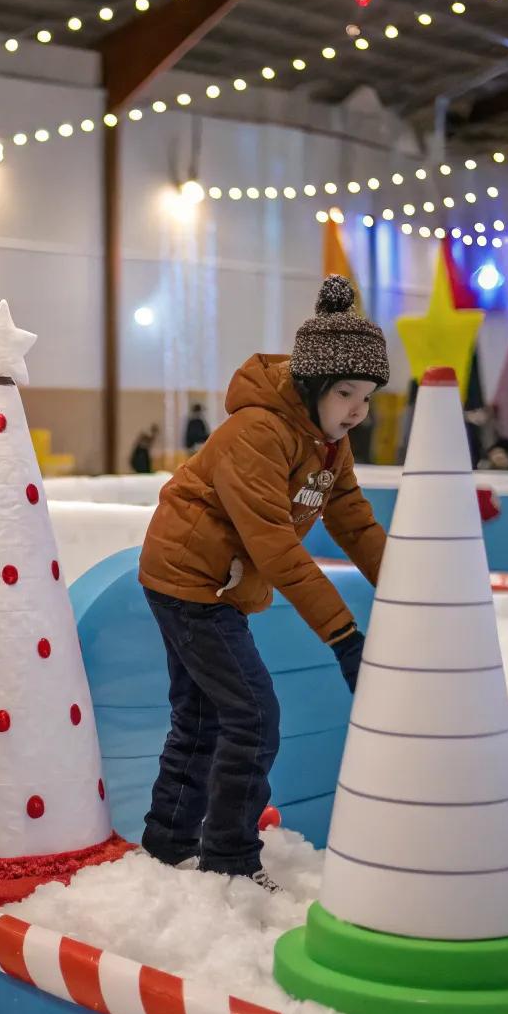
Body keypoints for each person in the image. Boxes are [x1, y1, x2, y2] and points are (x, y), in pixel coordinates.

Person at [138, 276, 389, 893]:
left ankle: (169, 842)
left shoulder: (329, 442)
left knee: (203, 715)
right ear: (310, 386)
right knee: (252, 715)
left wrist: (409, 592)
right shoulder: (256, 433)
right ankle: (228, 857)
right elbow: (275, 546)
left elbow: (353, 519)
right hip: (189, 581)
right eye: (345, 393)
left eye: (368, 396)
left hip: (216, 583)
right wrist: (345, 638)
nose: (357, 410)